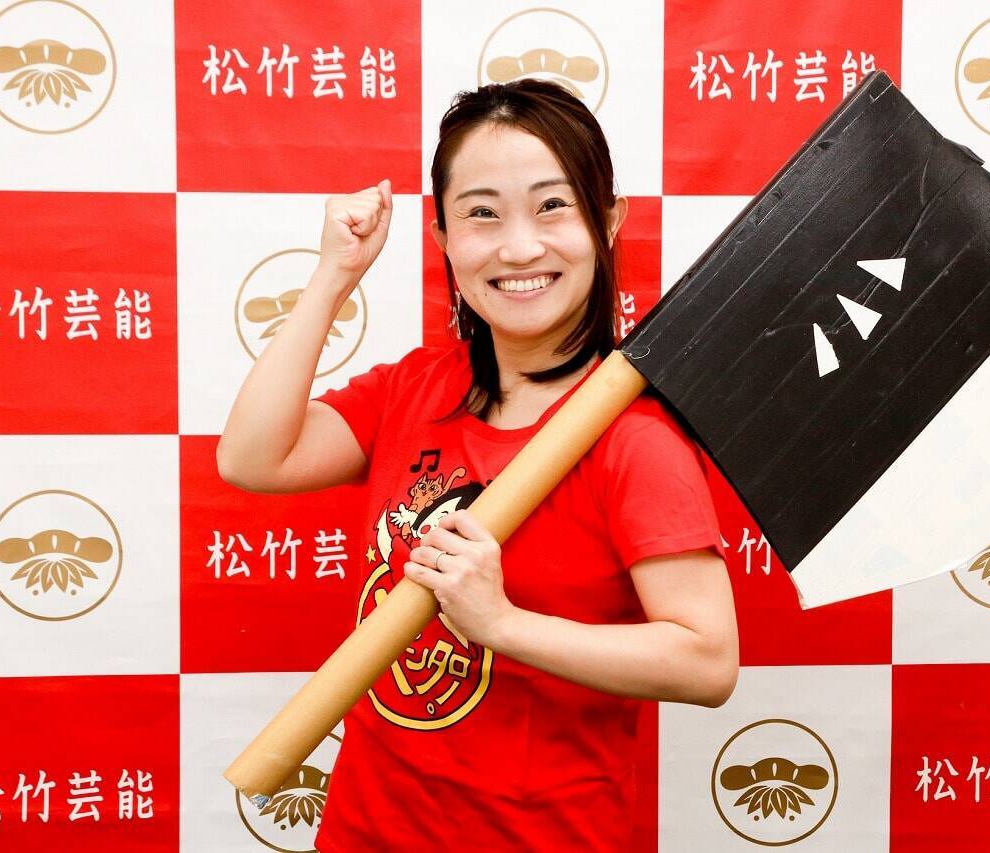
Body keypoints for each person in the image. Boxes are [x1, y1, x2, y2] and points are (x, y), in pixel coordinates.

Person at [217, 78, 738, 850]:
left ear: (608, 220)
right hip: (364, 832)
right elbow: (253, 457)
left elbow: (708, 660)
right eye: (482, 213)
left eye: (553, 206)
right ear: (443, 237)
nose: (519, 246)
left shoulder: (634, 437)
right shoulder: (418, 387)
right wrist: (334, 275)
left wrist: (502, 623)